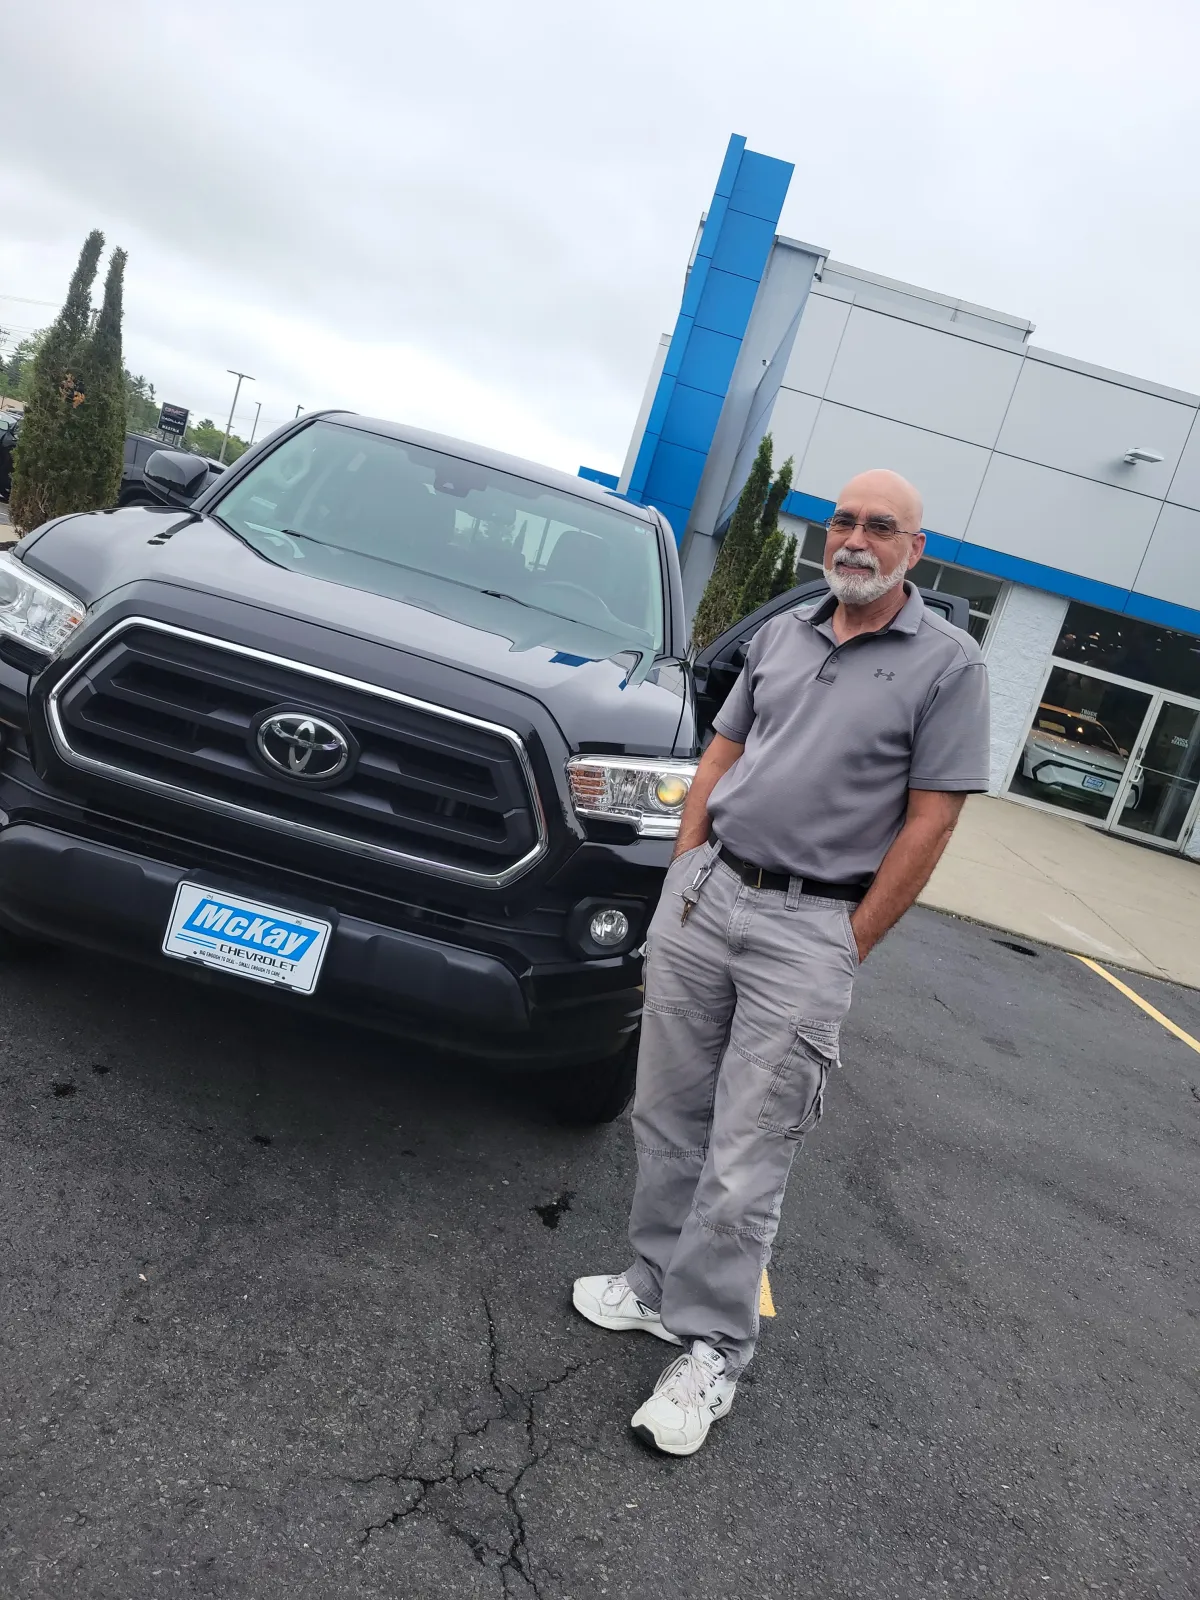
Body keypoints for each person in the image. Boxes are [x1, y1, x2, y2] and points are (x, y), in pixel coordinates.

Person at [573, 468, 991, 1456]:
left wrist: (850, 941)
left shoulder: (949, 665)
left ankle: (713, 1348)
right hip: (710, 895)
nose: (855, 539)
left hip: (814, 923)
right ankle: (653, 1285)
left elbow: (931, 822)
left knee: (747, 1151)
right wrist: (686, 872)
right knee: (666, 1114)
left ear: (914, 549)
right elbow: (721, 756)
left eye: (880, 527)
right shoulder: (786, 633)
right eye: (843, 521)